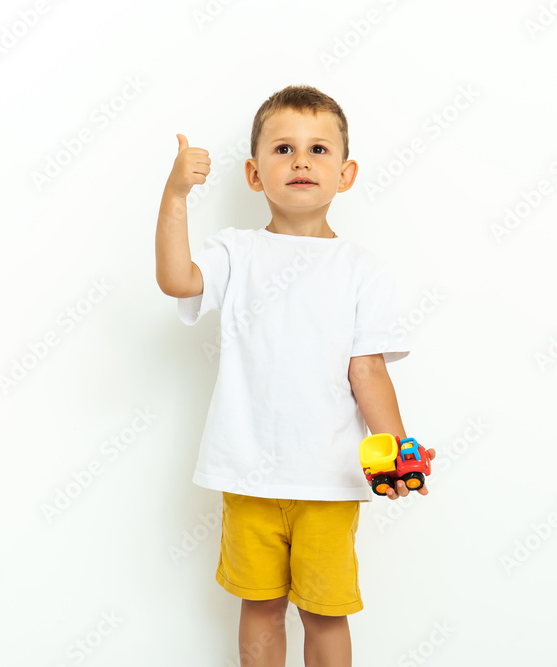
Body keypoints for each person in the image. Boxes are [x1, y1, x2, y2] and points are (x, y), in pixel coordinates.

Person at [154, 84, 437, 667]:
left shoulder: (362, 269)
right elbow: (177, 280)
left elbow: (369, 371)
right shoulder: (236, 252)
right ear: (254, 174)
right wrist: (176, 194)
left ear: (346, 174)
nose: (301, 161)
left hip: (329, 480)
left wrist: (399, 452)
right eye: (283, 149)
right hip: (247, 476)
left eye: (318, 149)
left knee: (325, 611)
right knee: (259, 606)